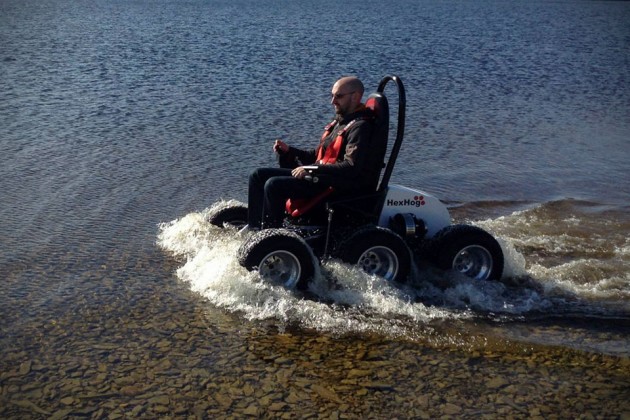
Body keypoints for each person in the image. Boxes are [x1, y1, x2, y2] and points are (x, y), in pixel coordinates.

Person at [247, 76, 386, 230]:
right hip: (322, 177)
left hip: (336, 185)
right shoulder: (341, 122)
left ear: (355, 96)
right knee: (257, 176)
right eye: (332, 96)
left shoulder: (360, 127)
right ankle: (254, 229)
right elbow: (318, 156)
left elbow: (351, 166)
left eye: (338, 96)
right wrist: (290, 152)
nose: (332, 101)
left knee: (273, 185)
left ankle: (270, 238)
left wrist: (312, 169)